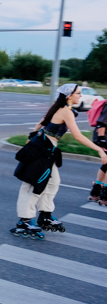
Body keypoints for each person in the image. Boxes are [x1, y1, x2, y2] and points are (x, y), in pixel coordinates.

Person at [13, 83, 107, 237]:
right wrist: (99, 150)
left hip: (47, 150)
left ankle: (45, 215)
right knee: (34, 185)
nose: (80, 96)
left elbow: (40, 124)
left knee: (53, 182)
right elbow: (78, 136)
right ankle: (24, 220)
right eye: (78, 93)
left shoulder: (60, 108)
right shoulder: (65, 111)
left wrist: (31, 137)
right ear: (69, 96)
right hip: (42, 151)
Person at [89, 101, 107, 204]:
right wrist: (102, 142)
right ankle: (104, 196)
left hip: (104, 138)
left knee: (105, 165)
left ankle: (96, 193)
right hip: (104, 138)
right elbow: (101, 123)